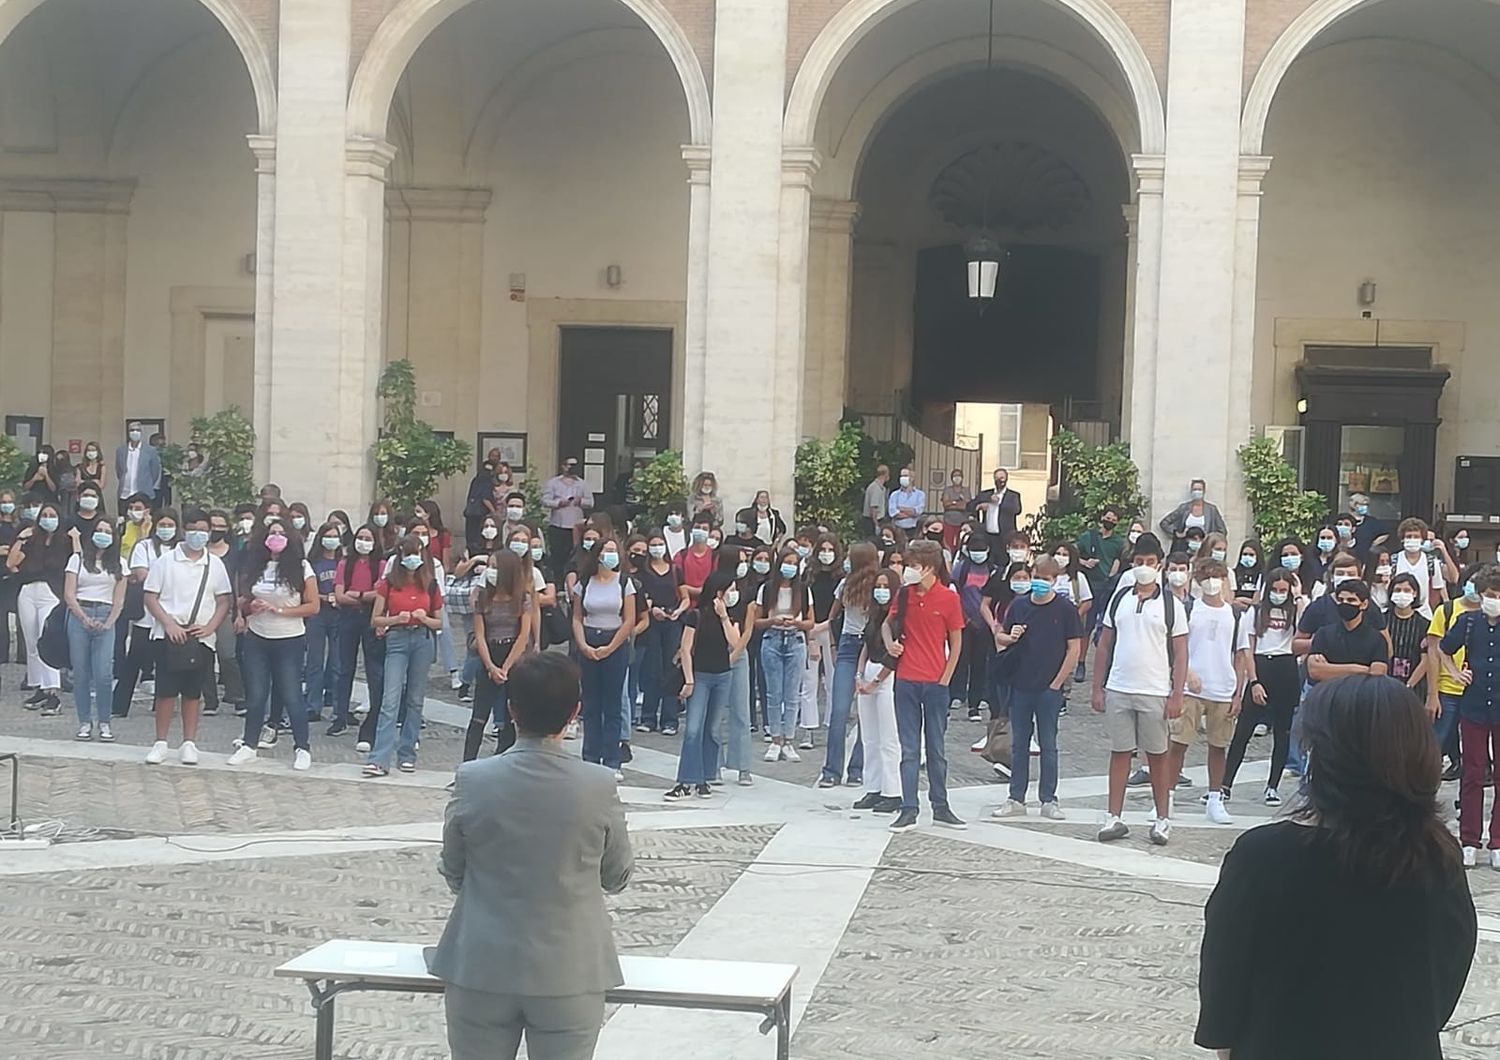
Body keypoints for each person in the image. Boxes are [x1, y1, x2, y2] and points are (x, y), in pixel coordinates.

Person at [1195, 675, 1476, 1060]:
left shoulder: (1261, 858)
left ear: (1324, 755)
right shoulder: (1438, 858)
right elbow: (1446, 982)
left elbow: (1223, 993)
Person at [430, 652, 632, 1060]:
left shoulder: (473, 779)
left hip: (481, 960)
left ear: (511, 710)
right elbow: (616, 875)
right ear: (575, 711)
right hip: (570, 966)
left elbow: (453, 867)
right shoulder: (598, 784)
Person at [1091, 533, 1187, 845]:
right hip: (1120, 685)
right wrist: (1098, 688)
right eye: (1138, 562)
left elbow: (1181, 651)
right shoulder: (1120, 599)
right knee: (1119, 752)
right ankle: (1113, 816)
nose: (1143, 567)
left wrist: (1176, 693)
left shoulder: (1172, 605)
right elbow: (1104, 645)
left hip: (1155, 688)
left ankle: (1162, 818)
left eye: (1149, 562)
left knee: (1157, 755)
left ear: (1159, 565)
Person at [989, 555, 1082, 820]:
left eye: (1046, 579)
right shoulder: (1019, 606)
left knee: (1048, 744)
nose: (1040, 583)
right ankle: (1015, 797)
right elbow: (1001, 637)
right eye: (1037, 577)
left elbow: (1074, 648)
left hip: (1048, 689)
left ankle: (1049, 799)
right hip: (1020, 685)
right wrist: (1011, 635)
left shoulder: (1064, 609)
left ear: (1054, 580)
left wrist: (1057, 683)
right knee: (1019, 744)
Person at [886, 538, 967, 832]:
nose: (908, 570)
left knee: (936, 748)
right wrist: (890, 644)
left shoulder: (949, 598)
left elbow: (956, 641)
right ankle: (909, 808)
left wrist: (946, 677)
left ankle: (941, 805)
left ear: (930, 567)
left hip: (935, 681)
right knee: (909, 749)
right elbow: (887, 623)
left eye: (914, 565)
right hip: (906, 679)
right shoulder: (905, 595)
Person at [227, 516, 319, 770]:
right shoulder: (257, 565)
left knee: (291, 694)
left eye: (281, 532)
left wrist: (279, 611)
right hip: (257, 636)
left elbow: (313, 606)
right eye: (272, 532)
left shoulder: (301, 568)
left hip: (288, 638)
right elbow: (244, 599)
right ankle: (249, 745)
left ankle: (302, 747)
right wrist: (249, 606)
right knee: (256, 695)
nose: (276, 537)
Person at [142, 509, 233, 765]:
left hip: (200, 636)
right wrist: (169, 623)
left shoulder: (215, 564)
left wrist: (211, 626)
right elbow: (150, 596)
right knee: (166, 691)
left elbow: (224, 600)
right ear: (185, 530)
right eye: (194, 529)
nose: (199, 535)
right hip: (168, 633)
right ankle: (160, 742)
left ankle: (189, 743)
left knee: (193, 692)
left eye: (204, 530)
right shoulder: (166, 561)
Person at [1165, 558, 1249, 825]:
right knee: (1178, 744)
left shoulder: (1235, 615)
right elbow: (1177, 648)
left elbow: (1240, 655)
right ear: (1198, 580)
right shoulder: (1188, 610)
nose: (1212, 582)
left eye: (1217, 576)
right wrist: (1183, 677)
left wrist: (1238, 692)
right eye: (1207, 576)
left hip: (1223, 688)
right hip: (1191, 687)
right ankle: (1165, 796)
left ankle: (1215, 798)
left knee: (1218, 746)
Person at [362, 533, 444, 777]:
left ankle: (407, 753)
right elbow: (375, 618)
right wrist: (395, 619)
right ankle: (379, 758)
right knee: (390, 699)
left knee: (415, 699)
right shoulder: (389, 582)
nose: (412, 559)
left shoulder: (430, 584)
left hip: (422, 639)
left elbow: (439, 623)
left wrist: (424, 618)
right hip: (396, 638)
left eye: (416, 553)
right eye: (407, 554)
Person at [1222, 568, 1304, 805]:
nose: (1279, 594)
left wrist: (1298, 598)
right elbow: (1247, 648)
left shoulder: (1296, 609)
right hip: (1262, 665)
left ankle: (1272, 786)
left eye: (1283, 590)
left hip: (1286, 666)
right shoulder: (1255, 612)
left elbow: (1300, 636)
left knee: (1282, 732)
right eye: (1275, 589)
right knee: (1243, 732)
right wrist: (1254, 680)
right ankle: (1226, 784)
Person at [1437, 570, 1500, 868]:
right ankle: (1470, 840)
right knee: (1472, 773)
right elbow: (1443, 649)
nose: (1494, 601)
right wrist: (1453, 673)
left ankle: (1498, 840)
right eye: (1490, 595)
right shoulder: (1467, 621)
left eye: (1498, 596)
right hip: (1473, 706)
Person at [664, 570, 741, 800]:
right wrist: (689, 680)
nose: (734, 594)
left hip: (723, 676)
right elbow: (686, 649)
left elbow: (735, 643)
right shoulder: (695, 616)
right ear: (719, 592)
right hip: (700, 676)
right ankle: (685, 780)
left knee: (712, 730)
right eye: (731, 590)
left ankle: (705, 778)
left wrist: (725, 616)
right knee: (693, 729)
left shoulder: (730, 616)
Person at [570, 535, 635, 779]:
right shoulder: (585, 583)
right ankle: (590, 756)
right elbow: (577, 617)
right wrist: (584, 645)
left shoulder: (624, 583)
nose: (611, 555)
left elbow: (629, 619)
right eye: (606, 550)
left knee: (613, 703)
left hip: (615, 641)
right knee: (591, 702)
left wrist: (611, 647)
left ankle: (612, 760)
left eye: (614, 551)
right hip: (589, 639)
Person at [464, 548, 533, 762]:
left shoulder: (522, 598)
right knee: (479, 715)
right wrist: (491, 667)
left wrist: (506, 667)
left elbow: (523, 635)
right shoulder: (483, 598)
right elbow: (480, 635)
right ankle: (467, 765)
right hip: (489, 655)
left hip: (513, 655)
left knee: (516, 713)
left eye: (494, 567)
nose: (490, 571)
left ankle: (515, 761)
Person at [63, 518, 127, 740]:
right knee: (80, 673)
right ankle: (84, 721)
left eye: (107, 531)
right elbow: (69, 594)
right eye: (99, 530)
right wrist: (83, 618)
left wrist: (108, 623)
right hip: (80, 615)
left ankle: (105, 721)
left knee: (104, 673)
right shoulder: (77, 560)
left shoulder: (120, 564)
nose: (103, 534)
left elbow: (119, 600)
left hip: (106, 615)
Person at [821, 541, 877, 789]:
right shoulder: (844, 585)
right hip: (847, 644)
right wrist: (832, 645)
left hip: (870, 644)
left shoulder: (878, 585)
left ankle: (857, 768)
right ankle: (831, 769)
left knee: (866, 710)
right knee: (839, 709)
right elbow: (832, 619)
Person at [6, 500, 69, 714]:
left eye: (52, 515)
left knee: (45, 639)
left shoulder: (64, 542)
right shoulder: (33, 541)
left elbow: (74, 563)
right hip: (28, 591)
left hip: (50, 592)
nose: (48, 519)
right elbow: (11, 563)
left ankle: (53, 692)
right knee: (31, 642)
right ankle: (38, 686)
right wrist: (21, 539)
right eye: (45, 515)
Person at [751, 546, 813, 761]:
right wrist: (773, 621)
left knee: (792, 694)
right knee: (773, 693)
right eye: (787, 563)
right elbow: (757, 622)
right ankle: (775, 738)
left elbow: (810, 622)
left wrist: (797, 622)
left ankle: (789, 740)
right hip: (772, 639)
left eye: (795, 564)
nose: (791, 568)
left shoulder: (803, 590)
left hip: (795, 640)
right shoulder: (767, 589)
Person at [1427, 569, 1483, 781]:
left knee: (1476, 752)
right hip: (1447, 689)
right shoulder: (1448, 610)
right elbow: (1435, 651)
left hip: (1480, 692)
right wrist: (1432, 694)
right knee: (1437, 743)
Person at [633, 528, 686, 734]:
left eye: (659, 544)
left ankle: (670, 719)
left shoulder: (674, 570)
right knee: (652, 670)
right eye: (652, 545)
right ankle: (648, 717)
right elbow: (641, 599)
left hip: (672, 623)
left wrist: (678, 611)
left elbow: (685, 596)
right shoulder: (644, 573)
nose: (657, 549)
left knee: (671, 669)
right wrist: (652, 609)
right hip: (652, 624)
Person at [338, 525, 386, 742]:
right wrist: (366, 595)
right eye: (360, 537)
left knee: (374, 670)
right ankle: (340, 715)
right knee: (344, 668)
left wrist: (357, 594)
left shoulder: (381, 565)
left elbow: (381, 594)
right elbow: (339, 596)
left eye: (368, 538)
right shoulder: (344, 563)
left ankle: (375, 716)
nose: (363, 542)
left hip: (370, 617)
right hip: (348, 617)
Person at [948, 532, 999, 722]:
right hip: (963, 621)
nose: (978, 553)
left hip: (986, 623)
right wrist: (964, 617)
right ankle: (956, 694)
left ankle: (976, 701)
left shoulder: (993, 570)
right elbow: (954, 593)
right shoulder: (961, 569)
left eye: (981, 549)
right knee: (961, 659)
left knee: (981, 662)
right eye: (974, 550)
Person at [1306, 579, 1389, 684]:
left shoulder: (1377, 639)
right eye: (1340, 600)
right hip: (1329, 696)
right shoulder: (1323, 634)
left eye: (1351, 600)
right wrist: (1362, 669)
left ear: (1364, 604)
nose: (1345, 604)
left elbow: (1377, 674)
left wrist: (1330, 669)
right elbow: (1315, 671)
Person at [302, 523, 345, 724]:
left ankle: (338, 706)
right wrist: (324, 597)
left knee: (337, 662)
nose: (331, 539)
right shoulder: (313, 563)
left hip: (339, 615)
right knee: (314, 661)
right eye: (327, 535)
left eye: (335, 536)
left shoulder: (343, 562)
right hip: (318, 614)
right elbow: (305, 591)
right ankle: (312, 705)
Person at [541, 458, 593, 571]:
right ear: (563, 466)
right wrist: (558, 503)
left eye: (574, 465)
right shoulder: (553, 483)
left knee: (574, 554)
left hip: (576, 527)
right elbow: (545, 501)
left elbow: (591, 502)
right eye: (569, 465)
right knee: (557, 555)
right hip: (558, 525)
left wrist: (580, 501)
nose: (571, 468)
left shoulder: (582, 484)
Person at [1157, 478, 1226, 553]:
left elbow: (1222, 530)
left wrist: (1210, 539)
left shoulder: (1212, 509)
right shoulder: (1184, 508)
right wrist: (1177, 533)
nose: (1197, 492)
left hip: (1204, 548)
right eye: (1195, 489)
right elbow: (1164, 523)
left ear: (1204, 491)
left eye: (1199, 489)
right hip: (1184, 547)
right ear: (1191, 491)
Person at [114, 422, 162, 509]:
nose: (135, 432)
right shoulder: (121, 450)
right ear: (128, 432)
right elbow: (119, 471)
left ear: (141, 432)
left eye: (137, 430)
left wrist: (147, 483)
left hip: (144, 494)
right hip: (125, 494)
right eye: (132, 430)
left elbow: (155, 472)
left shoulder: (150, 451)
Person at [672, 513, 716, 602]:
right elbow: (675, 584)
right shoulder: (681, 556)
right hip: (685, 606)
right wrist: (699, 591)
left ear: (709, 532)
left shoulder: (715, 556)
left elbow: (717, 584)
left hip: (708, 606)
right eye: (697, 527)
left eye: (704, 529)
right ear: (691, 530)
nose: (700, 531)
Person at [971, 468, 1022, 542]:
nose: (999, 480)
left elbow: (1017, 510)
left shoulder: (1013, 495)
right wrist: (980, 506)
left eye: (1002, 478)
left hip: (1005, 535)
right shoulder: (986, 494)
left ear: (1006, 479)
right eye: (996, 478)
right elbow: (971, 505)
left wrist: (998, 504)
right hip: (987, 535)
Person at [1346, 490, 1388, 559]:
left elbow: (1385, 533)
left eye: (1366, 505)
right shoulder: (1344, 520)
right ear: (1353, 505)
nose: (1364, 507)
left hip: (1366, 557)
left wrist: (1373, 544)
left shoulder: (1372, 521)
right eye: (1361, 504)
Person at [938, 469, 971, 553]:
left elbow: (966, 506)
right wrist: (957, 502)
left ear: (962, 478)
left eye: (959, 475)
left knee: (961, 543)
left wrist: (952, 503)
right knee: (948, 544)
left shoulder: (966, 490)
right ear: (951, 478)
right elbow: (946, 505)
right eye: (955, 476)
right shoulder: (947, 490)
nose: (957, 478)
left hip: (962, 521)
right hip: (949, 521)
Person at [886, 467, 925, 534]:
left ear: (912, 478)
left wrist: (900, 508)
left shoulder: (920, 495)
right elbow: (893, 513)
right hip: (897, 529)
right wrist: (911, 514)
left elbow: (918, 511)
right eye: (901, 476)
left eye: (905, 476)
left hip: (913, 529)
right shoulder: (894, 495)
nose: (902, 478)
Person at [861, 465, 890, 538]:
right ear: (885, 474)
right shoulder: (875, 488)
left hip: (876, 520)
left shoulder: (881, 488)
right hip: (873, 521)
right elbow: (873, 508)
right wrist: (876, 525)